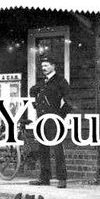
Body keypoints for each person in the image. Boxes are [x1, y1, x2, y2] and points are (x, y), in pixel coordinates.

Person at [28, 55, 69, 188]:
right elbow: (32, 91)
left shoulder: (61, 81)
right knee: (43, 149)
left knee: (57, 149)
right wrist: (35, 104)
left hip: (54, 121)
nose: (44, 68)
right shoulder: (43, 82)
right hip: (42, 120)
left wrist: (60, 116)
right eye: (42, 66)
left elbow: (70, 102)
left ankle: (62, 179)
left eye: (46, 65)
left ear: (53, 66)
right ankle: (44, 178)